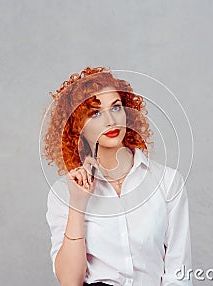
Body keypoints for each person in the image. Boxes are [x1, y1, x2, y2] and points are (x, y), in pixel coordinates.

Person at [42, 66, 193, 285]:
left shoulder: (168, 182)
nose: (110, 121)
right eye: (95, 113)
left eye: (116, 108)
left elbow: (178, 274)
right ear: (77, 128)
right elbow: (69, 281)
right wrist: (78, 204)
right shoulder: (63, 192)